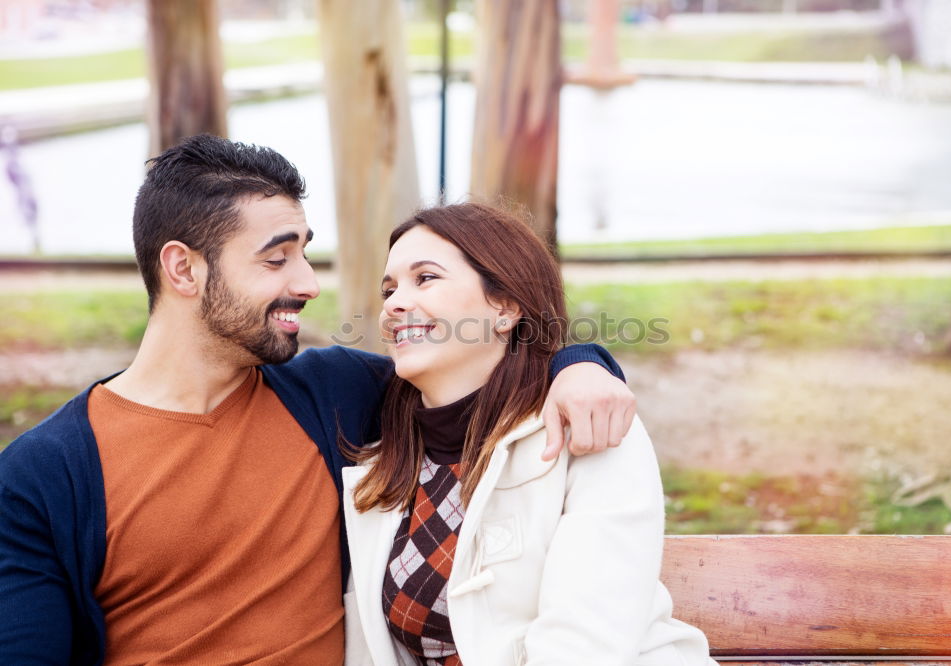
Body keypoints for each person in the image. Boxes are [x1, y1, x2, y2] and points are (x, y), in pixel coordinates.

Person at [0, 135, 637, 664]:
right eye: (276, 260)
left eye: (305, 254)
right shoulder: (48, 472)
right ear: (183, 269)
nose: (307, 284)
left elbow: (490, 368)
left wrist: (580, 365)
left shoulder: (331, 395)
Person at [342, 203, 714, 666]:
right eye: (389, 288)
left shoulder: (587, 428)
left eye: (426, 278)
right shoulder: (383, 461)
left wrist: (580, 361)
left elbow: (582, 648)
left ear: (505, 307)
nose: (394, 304)